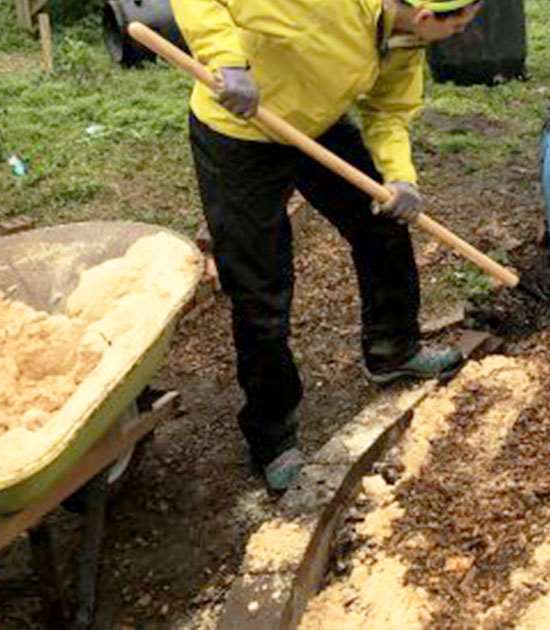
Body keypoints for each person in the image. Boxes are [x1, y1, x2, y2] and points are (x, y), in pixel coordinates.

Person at [170, 0, 481, 492]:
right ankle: (272, 439)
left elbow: (388, 113)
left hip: (316, 127)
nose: (466, 30)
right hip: (240, 134)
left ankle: (392, 348)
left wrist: (400, 178)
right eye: (462, 22)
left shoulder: (405, 41)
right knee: (261, 288)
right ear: (427, 16)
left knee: (382, 225)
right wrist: (226, 58)